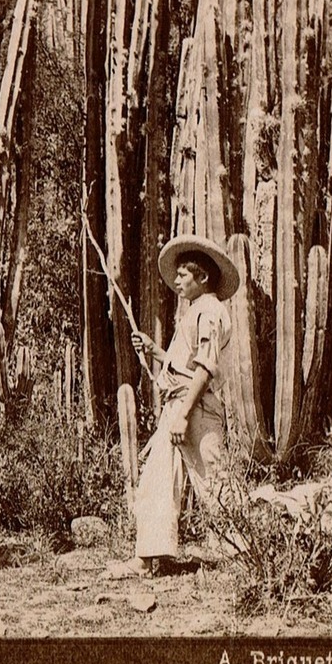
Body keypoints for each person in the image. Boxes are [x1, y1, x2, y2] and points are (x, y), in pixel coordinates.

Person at [120, 233, 238, 577]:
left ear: (202, 277)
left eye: (183, 275)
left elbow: (204, 367)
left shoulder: (211, 312)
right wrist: (155, 351)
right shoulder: (198, 312)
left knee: (215, 482)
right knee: (158, 477)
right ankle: (148, 557)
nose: (176, 281)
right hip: (180, 406)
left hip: (195, 407)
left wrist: (184, 415)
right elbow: (183, 362)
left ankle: (242, 554)